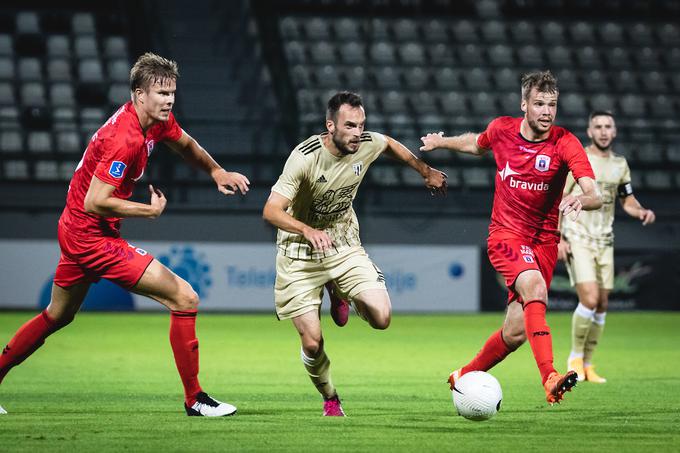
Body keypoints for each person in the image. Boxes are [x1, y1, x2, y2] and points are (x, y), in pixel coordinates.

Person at [0, 53, 250, 417]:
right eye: (161, 93)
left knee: (57, 314)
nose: (168, 100)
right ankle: (195, 399)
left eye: (172, 93)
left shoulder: (154, 121)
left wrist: (215, 171)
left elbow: (186, 144)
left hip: (75, 229)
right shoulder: (125, 138)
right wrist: (147, 211)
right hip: (91, 235)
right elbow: (96, 200)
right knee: (184, 297)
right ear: (138, 94)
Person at [420, 70, 603, 404]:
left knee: (516, 332)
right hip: (505, 234)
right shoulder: (502, 129)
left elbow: (595, 194)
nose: (547, 111)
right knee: (535, 288)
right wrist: (440, 142)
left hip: (544, 242)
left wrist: (581, 198)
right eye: (539, 104)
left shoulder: (566, 142)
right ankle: (549, 376)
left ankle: (463, 374)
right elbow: (476, 144)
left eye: (552, 104)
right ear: (524, 105)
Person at [262, 91, 447, 416]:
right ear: (330, 125)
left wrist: (424, 170)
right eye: (349, 125)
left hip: (343, 242)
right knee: (312, 343)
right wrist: (307, 229)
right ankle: (330, 397)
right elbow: (271, 211)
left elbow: (388, 143)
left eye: (361, 125)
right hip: (299, 253)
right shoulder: (304, 157)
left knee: (382, 318)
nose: (357, 132)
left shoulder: (366, 143)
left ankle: (340, 291)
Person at [559, 111, 655, 383]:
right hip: (577, 235)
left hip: (605, 239)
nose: (602, 131)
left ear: (614, 132)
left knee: (601, 304)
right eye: (597, 126)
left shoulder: (619, 164)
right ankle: (574, 358)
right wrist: (558, 237)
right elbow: (561, 197)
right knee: (589, 298)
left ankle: (588, 364)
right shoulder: (579, 159)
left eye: (607, 126)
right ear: (589, 131)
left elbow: (627, 199)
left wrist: (641, 212)